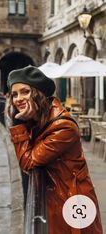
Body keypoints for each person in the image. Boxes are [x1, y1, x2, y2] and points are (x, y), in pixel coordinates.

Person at [6, 65, 103, 234]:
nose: (18, 99)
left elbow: (27, 162)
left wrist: (18, 125)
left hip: (72, 199)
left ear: (38, 93)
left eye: (25, 92)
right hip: (58, 195)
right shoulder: (39, 119)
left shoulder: (62, 126)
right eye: (14, 94)